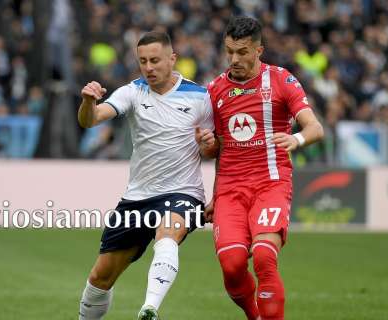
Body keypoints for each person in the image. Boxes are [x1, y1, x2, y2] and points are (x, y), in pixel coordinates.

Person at [77, 31, 213, 320]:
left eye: (155, 60)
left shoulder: (201, 97)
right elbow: (90, 120)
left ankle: (149, 308)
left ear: (172, 58)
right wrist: (88, 102)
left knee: (168, 233)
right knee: (101, 278)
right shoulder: (132, 92)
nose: (148, 67)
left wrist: (209, 146)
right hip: (138, 197)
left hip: (183, 192)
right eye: (142, 61)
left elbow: (218, 150)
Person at [197, 16, 324, 320]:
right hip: (230, 190)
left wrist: (296, 138)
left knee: (265, 257)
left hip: (271, 183)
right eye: (229, 51)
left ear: (258, 50)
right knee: (232, 265)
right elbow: (217, 149)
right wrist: (207, 146)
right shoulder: (214, 90)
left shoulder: (281, 80)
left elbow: (315, 128)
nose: (233, 59)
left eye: (241, 52)